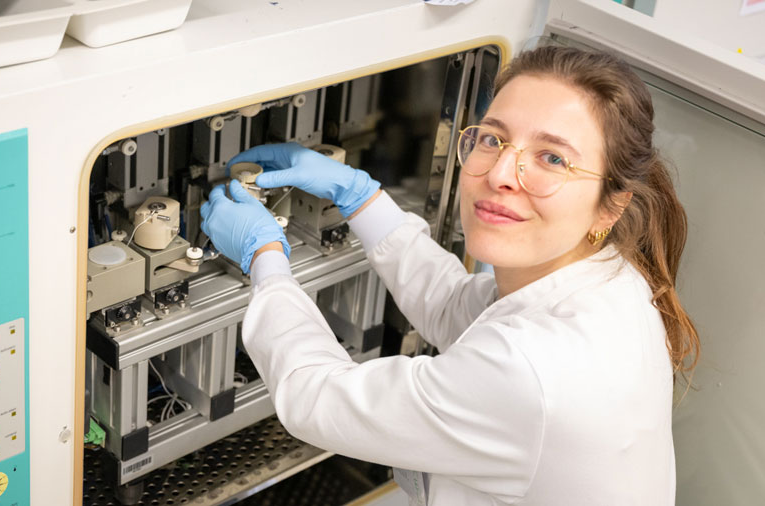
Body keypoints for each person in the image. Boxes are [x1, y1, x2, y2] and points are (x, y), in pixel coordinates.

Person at [200, 46, 699, 505]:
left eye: (552, 158)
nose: (502, 173)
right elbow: (457, 306)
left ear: (611, 207)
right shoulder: (612, 278)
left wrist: (264, 257)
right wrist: (360, 196)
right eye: (493, 138)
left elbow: (315, 398)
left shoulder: (535, 372)